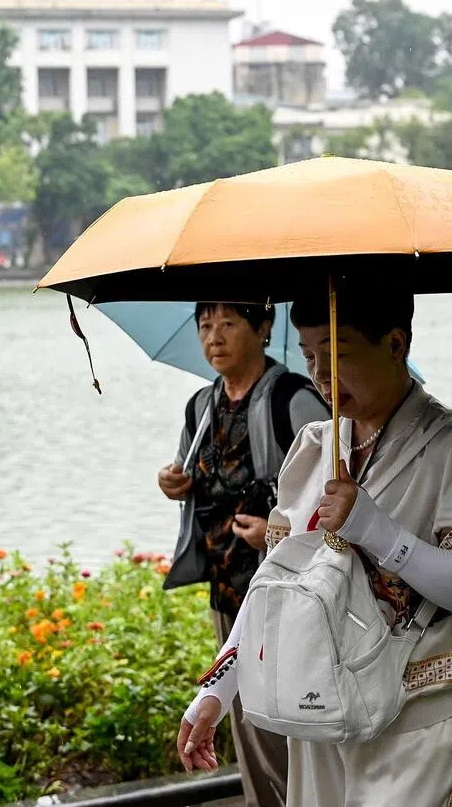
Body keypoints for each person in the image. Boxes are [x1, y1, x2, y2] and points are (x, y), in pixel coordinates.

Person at [177, 283, 452, 807]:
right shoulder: (313, 447)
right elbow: (276, 589)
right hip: (316, 710)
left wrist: (380, 532)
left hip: (417, 718)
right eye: (310, 355)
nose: (321, 377)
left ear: (396, 344)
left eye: (338, 355)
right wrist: (217, 690)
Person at [158, 302, 327, 807]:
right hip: (230, 590)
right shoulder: (202, 405)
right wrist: (175, 483)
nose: (214, 338)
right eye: (206, 326)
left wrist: (277, 533)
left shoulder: (294, 400)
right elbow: (199, 480)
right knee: (246, 723)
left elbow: (339, 492)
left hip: (289, 595)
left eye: (229, 324)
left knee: (293, 723)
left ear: (264, 328)